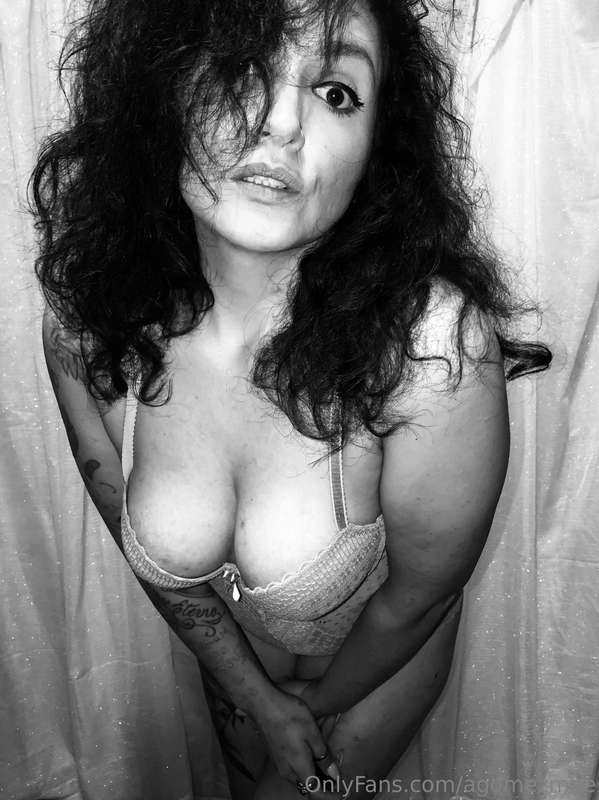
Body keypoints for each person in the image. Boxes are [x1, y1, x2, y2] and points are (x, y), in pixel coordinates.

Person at [32, 0, 551, 797]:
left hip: (372, 673)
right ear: (161, 93)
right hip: (236, 674)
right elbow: (139, 542)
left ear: (376, 149)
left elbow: (416, 601)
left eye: (336, 92)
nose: (280, 122)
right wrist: (255, 697)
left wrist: (303, 711)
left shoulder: (433, 349)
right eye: (239, 68)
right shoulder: (91, 327)